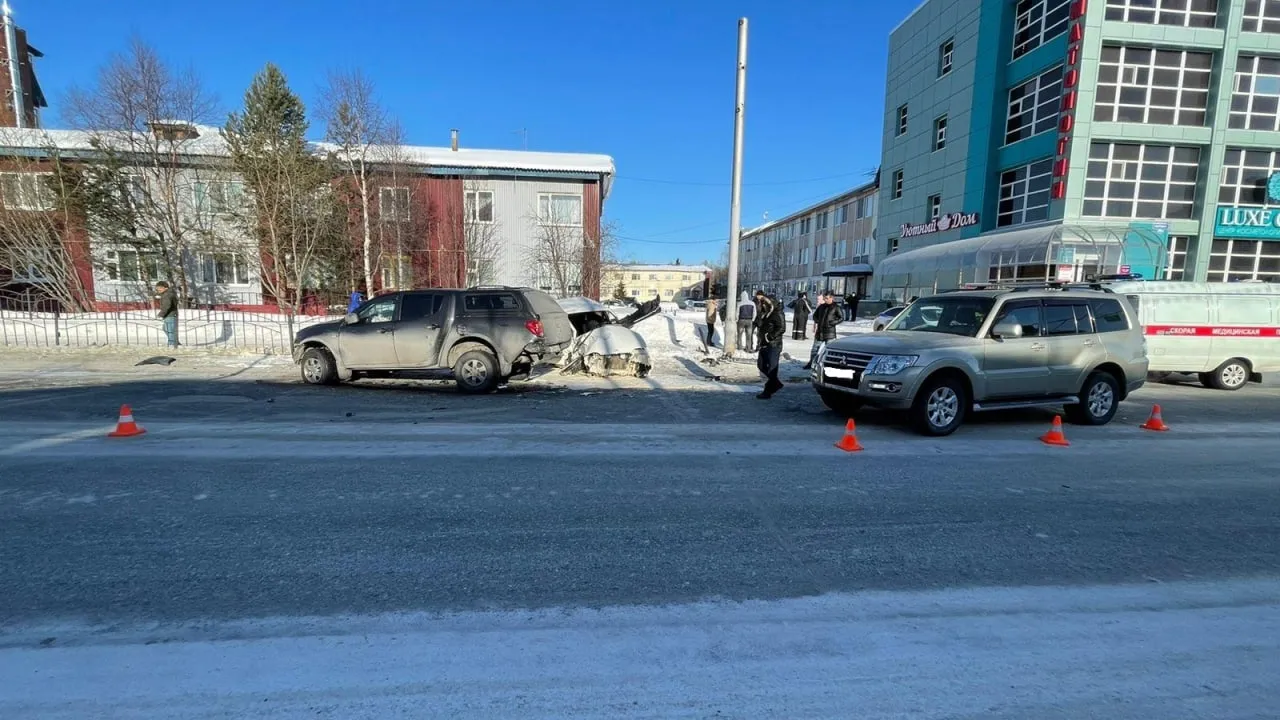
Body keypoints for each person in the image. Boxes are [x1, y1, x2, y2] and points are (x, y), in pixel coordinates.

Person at [755, 292, 786, 399]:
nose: (762, 304)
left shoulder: (778, 313)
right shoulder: (766, 313)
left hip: (774, 344)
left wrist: (769, 337)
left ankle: (768, 391)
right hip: (764, 344)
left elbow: (781, 328)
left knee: (772, 369)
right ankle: (776, 383)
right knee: (761, 365)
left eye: (764, 302)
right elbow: (760, 324)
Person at [805, 290, 844, 370]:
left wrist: (832, 323)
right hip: (820, 332)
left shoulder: (836, 307)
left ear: (831, 298)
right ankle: (811, 363)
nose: (825, 300)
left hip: (830, 333)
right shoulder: (821, 306)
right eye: (824, 298)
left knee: (829, 350)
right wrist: (817, 320)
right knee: (815, 349)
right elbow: (815, 315)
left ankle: (829, 365)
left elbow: (841, 318)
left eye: (826, 298)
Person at [154, 281, 179, 348]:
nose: (158, 290)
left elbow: (167, 306)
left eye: (160, 288)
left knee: (170, 330)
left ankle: (172, 344)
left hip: (170, 315)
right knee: (166, 328)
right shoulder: (168, 294)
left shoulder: (167, 295)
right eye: (157, 289)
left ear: (165, 288)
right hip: (170, 315)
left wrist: (161, 314)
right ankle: (175, 342)